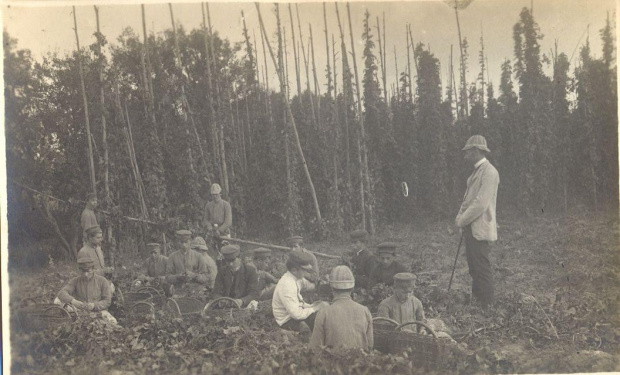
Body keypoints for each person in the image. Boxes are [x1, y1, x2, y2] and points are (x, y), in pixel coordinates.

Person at [455, 135, 500, 310]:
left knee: (481, 267)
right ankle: (477, 300)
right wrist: (460, 218)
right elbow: (467, 200)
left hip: (480, 227)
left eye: (468, 152)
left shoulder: (490, 172)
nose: (465, 155)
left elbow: (480, 203)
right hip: (471, 227)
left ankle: (487, 305)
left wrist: (462, 220)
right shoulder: (476, 171)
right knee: (474, 267)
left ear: (476, 151)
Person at [310, 265, 373, 351]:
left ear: (332, 288)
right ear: (352, 288)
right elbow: (370, 345)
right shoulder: (365, 311)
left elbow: (315, 347)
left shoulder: (323, 313)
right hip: (361, 362)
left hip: (332, 362)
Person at [272, 250, 329, 342]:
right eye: (304, 270)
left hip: (295, 313)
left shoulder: (295, 278)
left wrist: (322, 285)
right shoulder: (287, 285)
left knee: (322, 313)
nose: (307, 273)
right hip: (287, 320)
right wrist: (315, 308)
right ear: (294, 270)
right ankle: (285, 333)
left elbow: (307, 285)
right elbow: (296, 314)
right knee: (317, 322)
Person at [55, 253, 116, 324]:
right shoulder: (75, 281)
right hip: (80, 313)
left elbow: (107, 301)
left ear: (93, 269)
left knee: (113, 322)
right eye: (83, 271)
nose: (85, 274)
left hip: (100, 313)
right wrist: (73, 301)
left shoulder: (102, 281)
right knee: (57, 301)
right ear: (79, 270)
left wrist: (94, 305)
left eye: (88, 271)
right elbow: (62, 293)